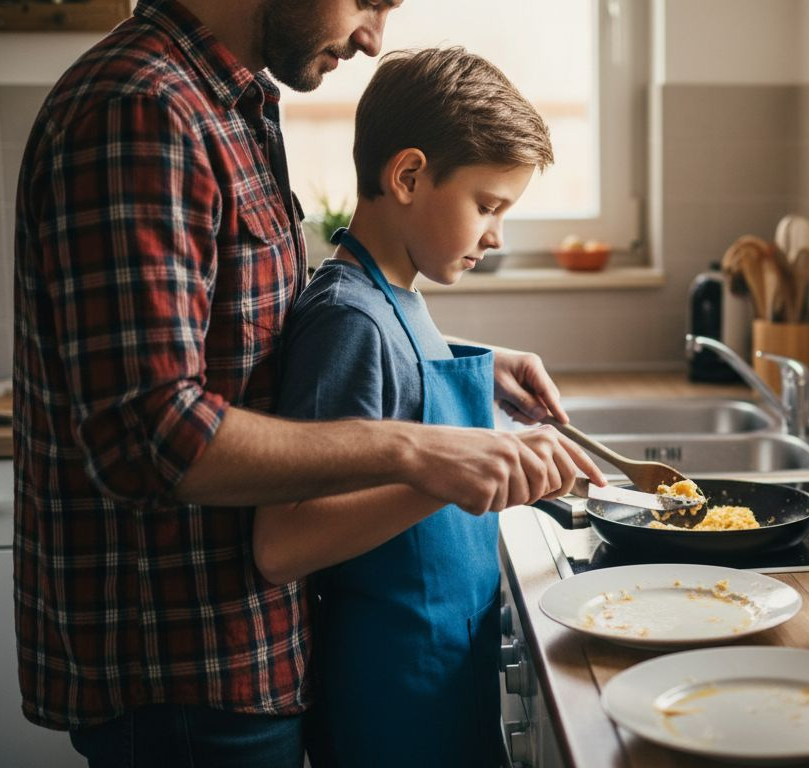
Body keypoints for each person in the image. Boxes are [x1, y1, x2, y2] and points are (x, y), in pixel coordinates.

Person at [12, 1, 602, 765]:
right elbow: (154, 433)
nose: (372, 37)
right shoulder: (142, 110)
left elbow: (272, 336)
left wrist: (458, 358)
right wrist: (423, 454)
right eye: (368, 0)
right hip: (185, 674)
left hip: (247, 658)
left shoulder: (231, 106)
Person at [250, 46, 593, 767]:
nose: (496, 235)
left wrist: (485, 371)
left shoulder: (395, 296)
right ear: (408, 176)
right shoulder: (350, 320)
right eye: (487, 205)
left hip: (439, 672)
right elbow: (283, 542)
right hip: (388, 700)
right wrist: (442, 477)